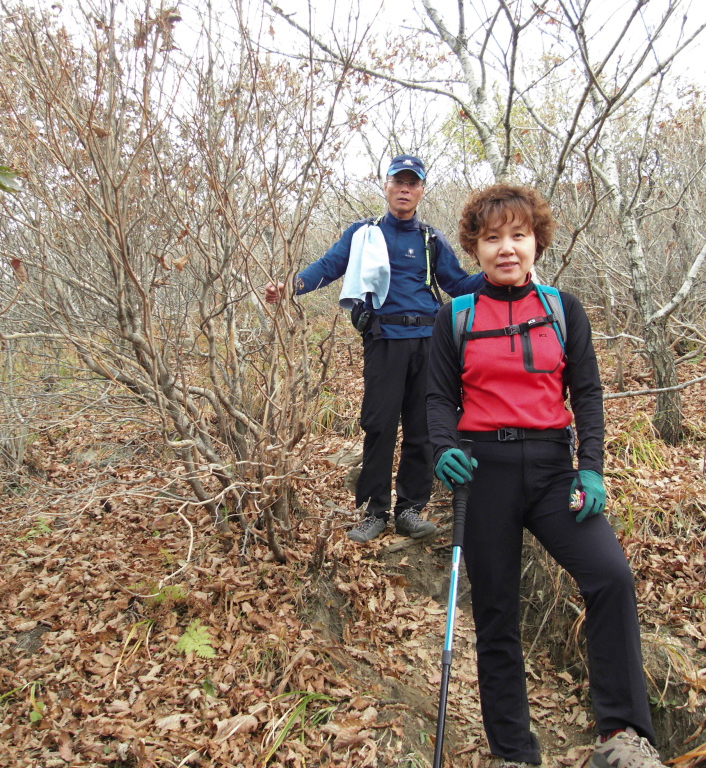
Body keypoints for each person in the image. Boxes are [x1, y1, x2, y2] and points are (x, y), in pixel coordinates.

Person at [426, 184, 666, 768]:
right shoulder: (455, 316)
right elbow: (436, 397)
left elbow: (586, 394)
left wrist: (592, 469)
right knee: (497, 614)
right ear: (474, 248)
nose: (506, 249)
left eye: (518, 235)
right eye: (492, 239)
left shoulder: (563, 309)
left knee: (610, 577)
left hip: (556, 472)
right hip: (483, 473)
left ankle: (625, 737)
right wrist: (441, 449)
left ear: (536, 241)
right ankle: (514, 752)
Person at [265, 155, 483, 543]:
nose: (404, 188)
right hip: (384, 340)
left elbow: (459, 285)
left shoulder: (431, 240)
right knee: (379, 425)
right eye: (398, 181)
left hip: (430, 341)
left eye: (412, 183)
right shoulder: (363, 233)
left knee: (422, 427)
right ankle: (374, 511)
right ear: (385, 185)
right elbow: (329, 265)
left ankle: (410, 510)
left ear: (421, 190)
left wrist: (498, 273)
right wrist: (290, 287)